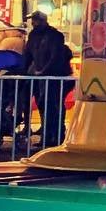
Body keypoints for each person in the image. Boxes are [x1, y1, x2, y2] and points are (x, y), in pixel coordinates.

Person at [21, 10, 72, 150]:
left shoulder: (55, 35)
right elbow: (28, 55)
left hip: (55, 76)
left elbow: (55, 57)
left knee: (53, 105)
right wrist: (24, 72)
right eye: (33, 20)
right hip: (41, 76)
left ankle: (56, 135)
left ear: (43, 21)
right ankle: (47, 135)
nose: (33, 22)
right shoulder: (33, 36)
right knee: (43, 104)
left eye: (36, 20)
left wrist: (43, 72)